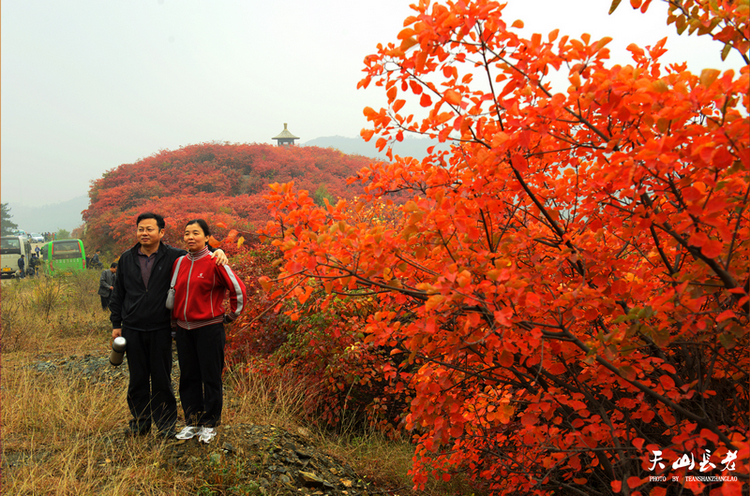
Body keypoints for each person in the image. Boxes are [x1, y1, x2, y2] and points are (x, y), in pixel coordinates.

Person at [109, 212, 227, 438]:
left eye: (149, 229)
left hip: (160, 327)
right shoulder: (126, 258)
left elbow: (199, 255)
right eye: (140, 229)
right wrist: (117, 323)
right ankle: (140, 422)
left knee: (162, 378)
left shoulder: (174, 256)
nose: (144, 233)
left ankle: (165, 425)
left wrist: (218, 251)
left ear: (161, 232)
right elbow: (119, 294)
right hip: (132, 327)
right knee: (137, 378)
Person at [171, 219, 246, 443]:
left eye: (196, 233)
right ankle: (192, 422)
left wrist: (232, 315)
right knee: (188, 376)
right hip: (184, 329)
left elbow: (238, 289)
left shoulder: (216, 261)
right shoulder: (179, 262)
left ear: (206, 237)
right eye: (187, 233)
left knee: (210, 377)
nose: (190, 237)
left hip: (209, 328)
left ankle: (210, 424)